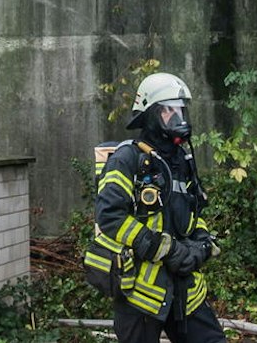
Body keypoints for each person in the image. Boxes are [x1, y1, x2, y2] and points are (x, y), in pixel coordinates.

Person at [88, 71, 223, 343]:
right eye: (168, 111)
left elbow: (194, 212)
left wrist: (200, 244)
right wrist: (166, 249)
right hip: (140, 294)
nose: (178, 118)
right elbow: (110, 216)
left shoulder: (181, 160)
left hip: (185, 291)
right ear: (150, 115)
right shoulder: (128, 159)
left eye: (181, 110)